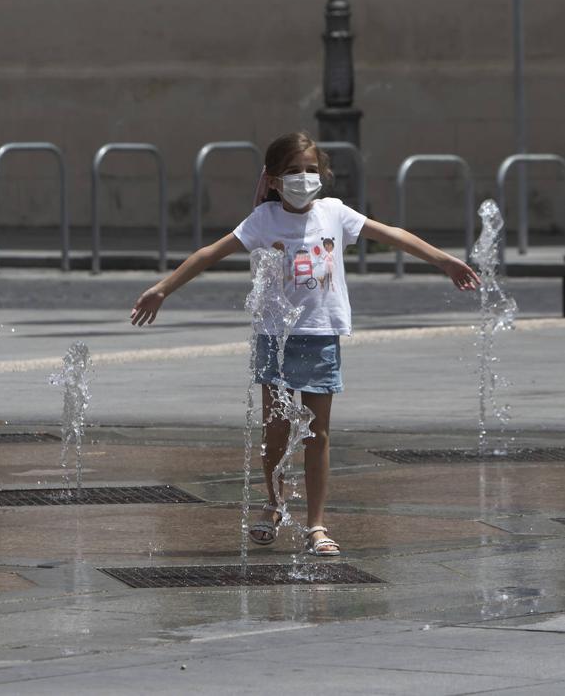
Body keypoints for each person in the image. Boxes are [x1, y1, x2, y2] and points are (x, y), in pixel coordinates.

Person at [130, 131, 480, 557]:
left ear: (323, 175)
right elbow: (209, 254)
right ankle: (274, 504)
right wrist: (163, 289)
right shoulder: (264, 220)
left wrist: (443, 260)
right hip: (275, 339)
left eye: (311, 170)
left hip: (320, 336)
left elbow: (391, 233)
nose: (303, 178)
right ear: (274, 180)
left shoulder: (334, 213)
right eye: (293, 171)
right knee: (275, 433)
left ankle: (316, 523)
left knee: (318, 434)